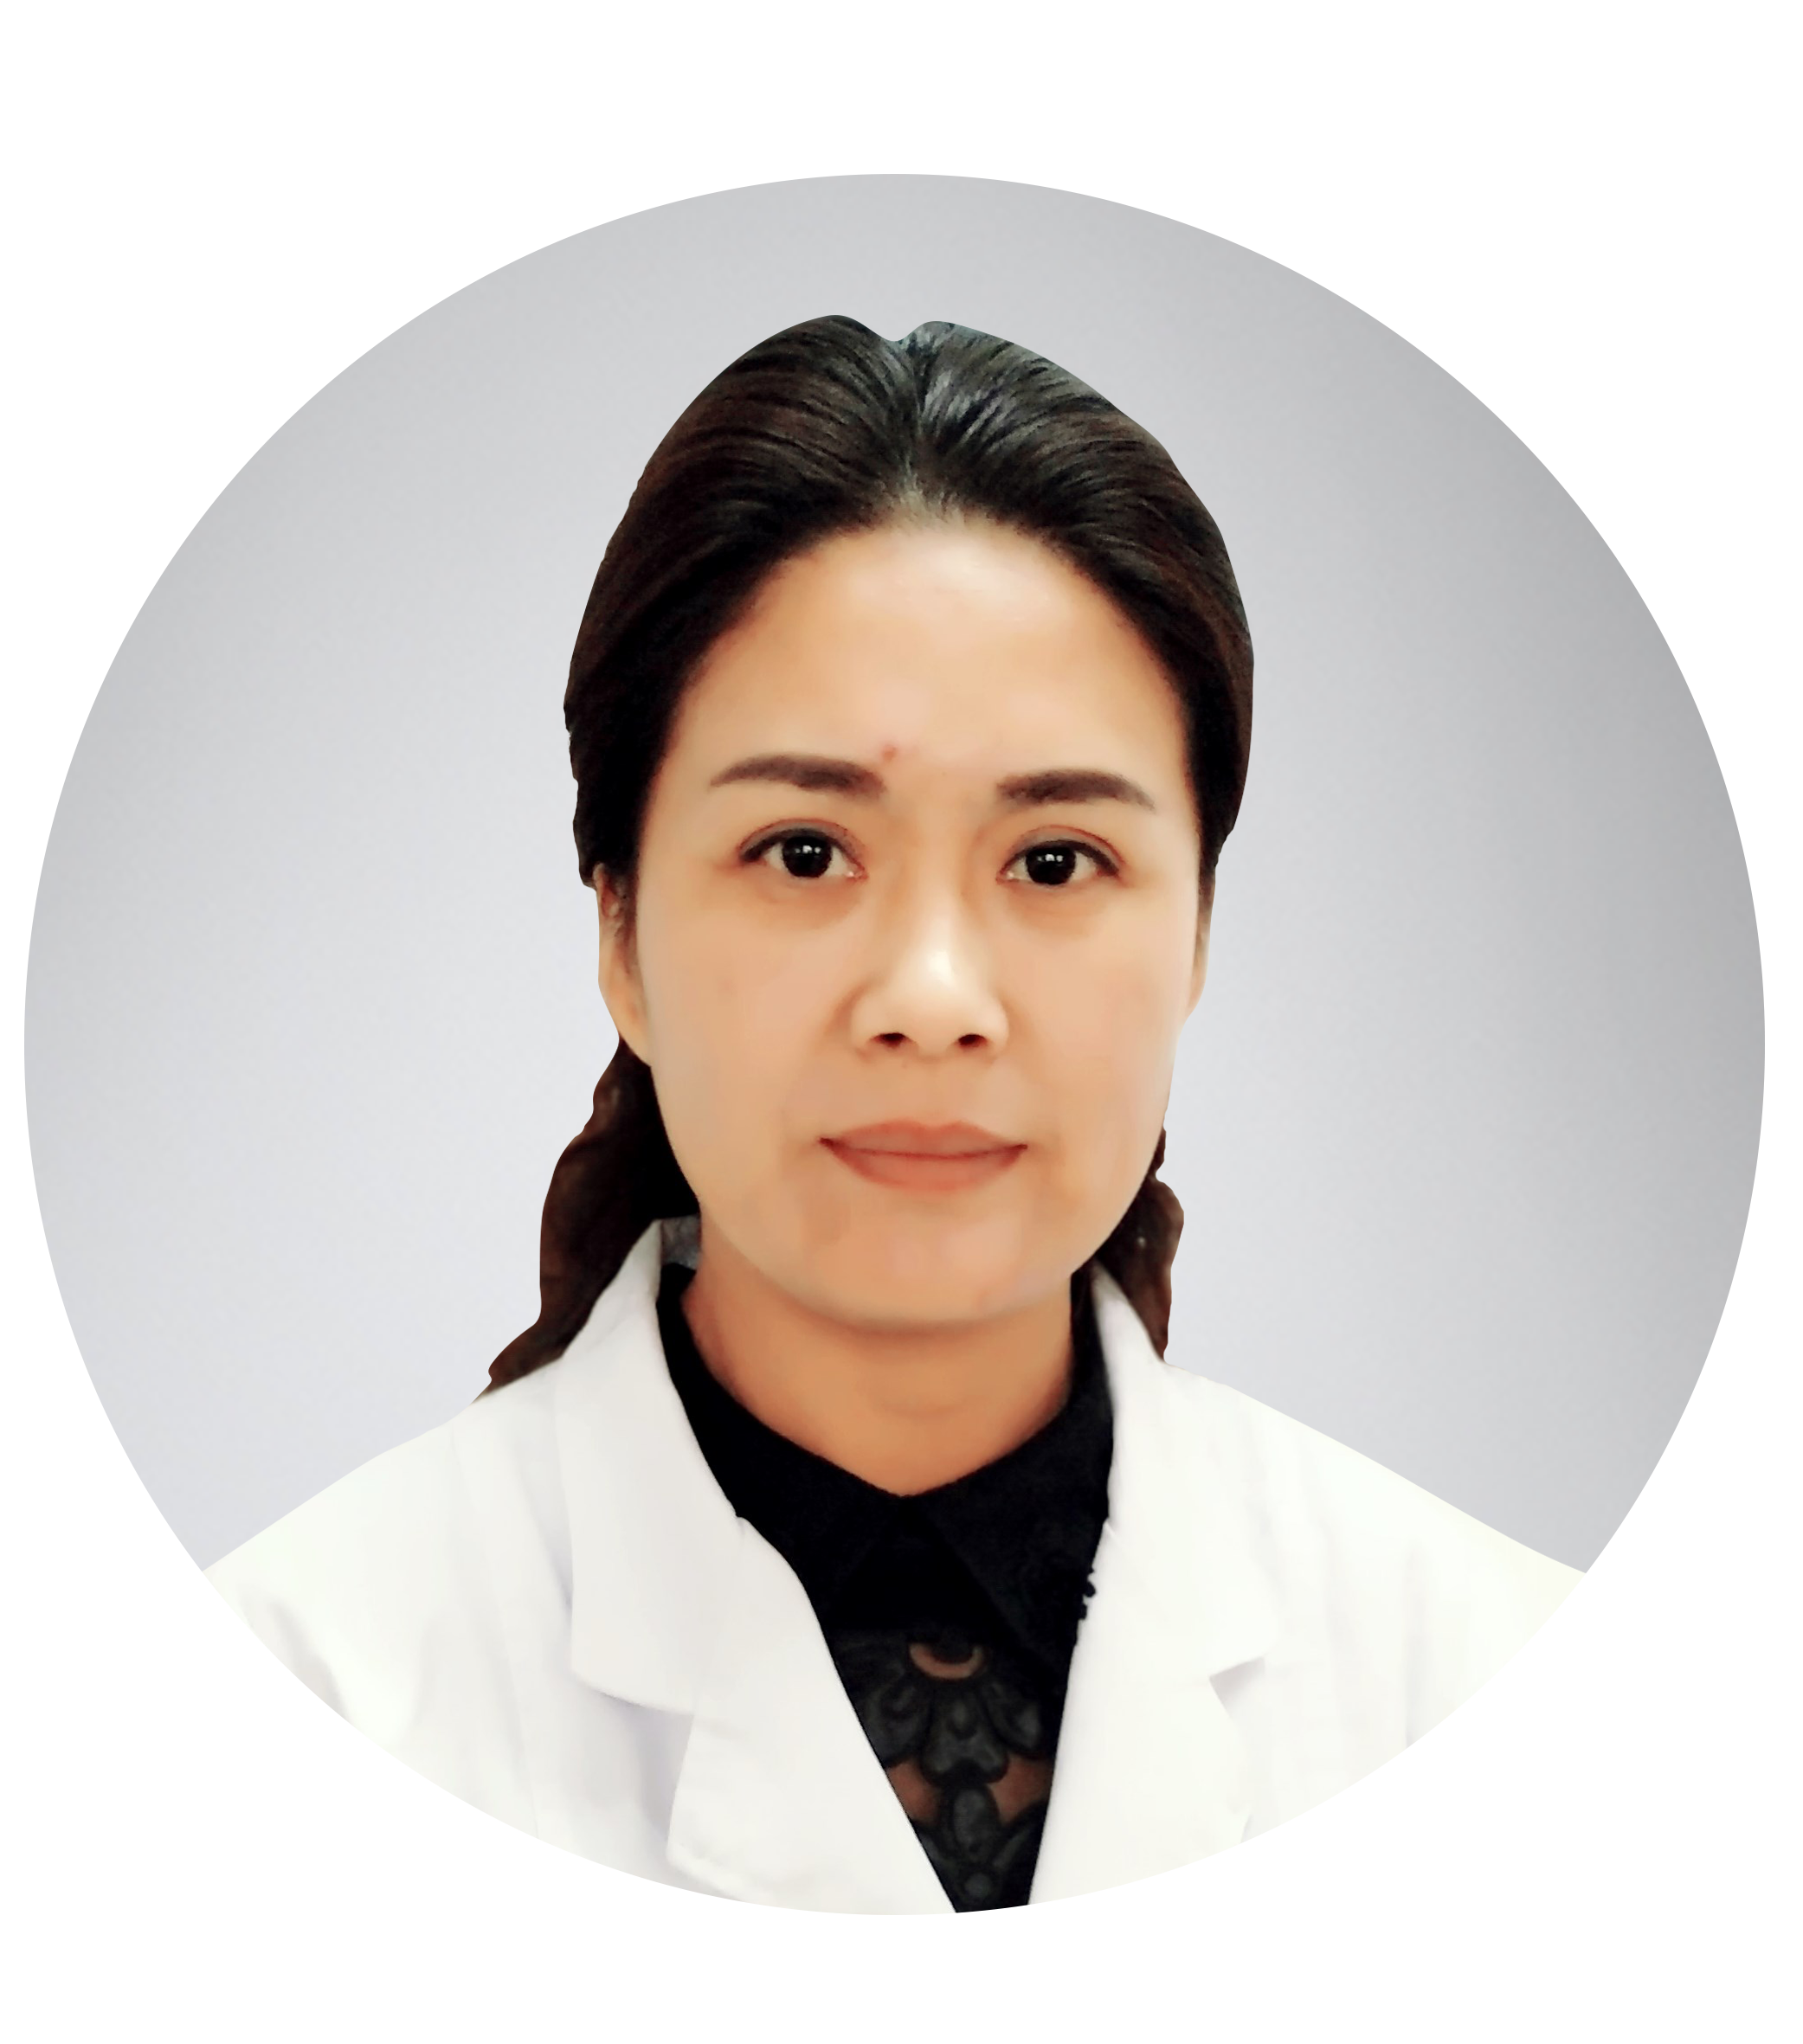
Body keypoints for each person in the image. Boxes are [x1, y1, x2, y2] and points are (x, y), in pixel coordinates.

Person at [158, 315, 1631, 1915]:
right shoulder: (302, 1696)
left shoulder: (1492, 1687)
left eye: (1054, 861)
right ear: (620, 932)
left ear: (1200, 929)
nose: (932, 995)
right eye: (803, 852)